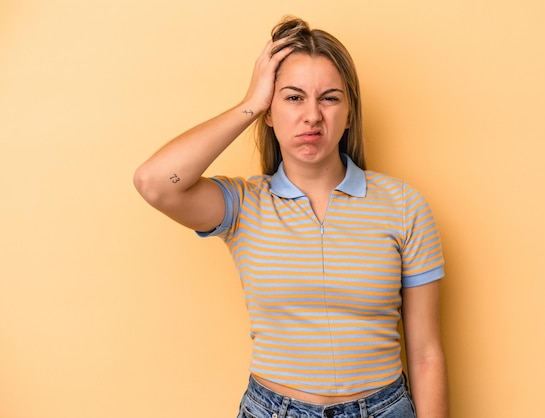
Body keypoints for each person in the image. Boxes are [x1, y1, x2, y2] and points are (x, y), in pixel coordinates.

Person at [134, 16, 448, 418]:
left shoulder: (405, 205)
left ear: (350, 112)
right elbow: (154, 182)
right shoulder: (244, 205)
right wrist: (249, 102)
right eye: (294, 97)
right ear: (269, 110)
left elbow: (426, 354)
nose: (312, 115)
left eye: (330, 98)